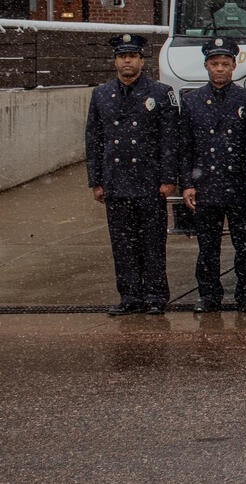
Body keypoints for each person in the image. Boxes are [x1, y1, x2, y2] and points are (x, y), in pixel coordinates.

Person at [85, 33, 179, 316]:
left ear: (140, 60)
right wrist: (96, 181)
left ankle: (155, 296)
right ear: (115, 61)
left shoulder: (160, 93)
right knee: (123, 244)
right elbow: (94, 139)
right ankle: (129, 297)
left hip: (150, 181)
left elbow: (169, 139)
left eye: (133, 56)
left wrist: (169, 178)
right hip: (116, 181)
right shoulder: (101, 94)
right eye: (122, 56)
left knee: (152, 242)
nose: (128, 61)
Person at [180, 37, 246, 313]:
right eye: (214, 63)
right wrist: (188, 183)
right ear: (206, 65)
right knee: (208, 248)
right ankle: (208, 295)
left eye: (225, 64)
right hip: (206, 186)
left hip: (238, 185)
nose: (219, 69)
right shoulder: (191, 101)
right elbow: (186, 146)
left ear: (234, 66)